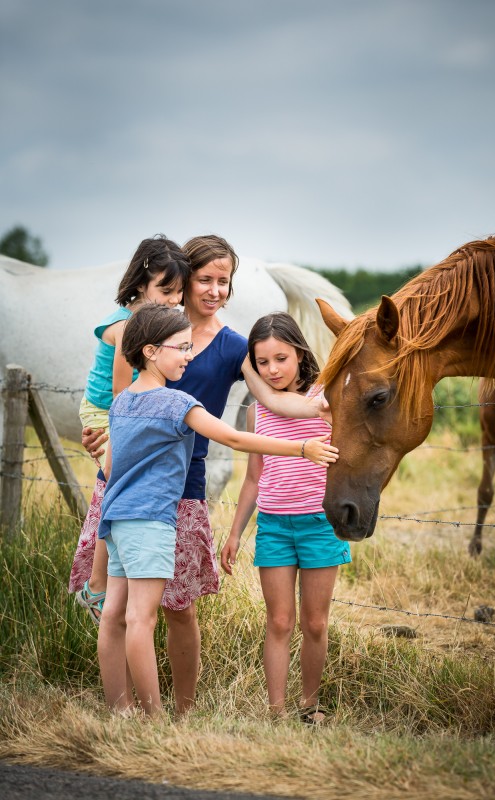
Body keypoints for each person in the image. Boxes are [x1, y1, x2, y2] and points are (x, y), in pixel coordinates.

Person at [69, 233, 328, 714]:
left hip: (184, 487)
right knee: (124, 611)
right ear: (184, 282)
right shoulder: (151, 333)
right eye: (203, 279)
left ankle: (180, 713)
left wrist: (326, 407)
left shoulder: (232, 347)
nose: (213, 290)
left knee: (178, 607)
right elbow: (115, 409)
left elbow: (272, 399)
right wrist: (98, 441)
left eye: (223, 281)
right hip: (128, 484)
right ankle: (129, 710)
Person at [221, 313, 351, 725]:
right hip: (275, 526)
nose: (273, 370)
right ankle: (275, 711)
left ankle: (309, 707)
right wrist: (235, 533)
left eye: (281, 358)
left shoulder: (325, 401)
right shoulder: (256, 412)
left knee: (315, 622)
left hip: (319, 525)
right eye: (262, 363)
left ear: (299, 353)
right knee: (278, 621)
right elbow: (254, 479)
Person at [75, 235, 190, 621]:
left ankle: (101, 584)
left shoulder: (145, 321)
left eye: (179, 292)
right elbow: (122, 391)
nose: (174, 299)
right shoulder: (129, 326)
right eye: (166, 289)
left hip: (118, 411)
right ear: (141, 284)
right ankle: (96, 586)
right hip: (106, 411)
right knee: (117, 482)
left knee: (117, 487)